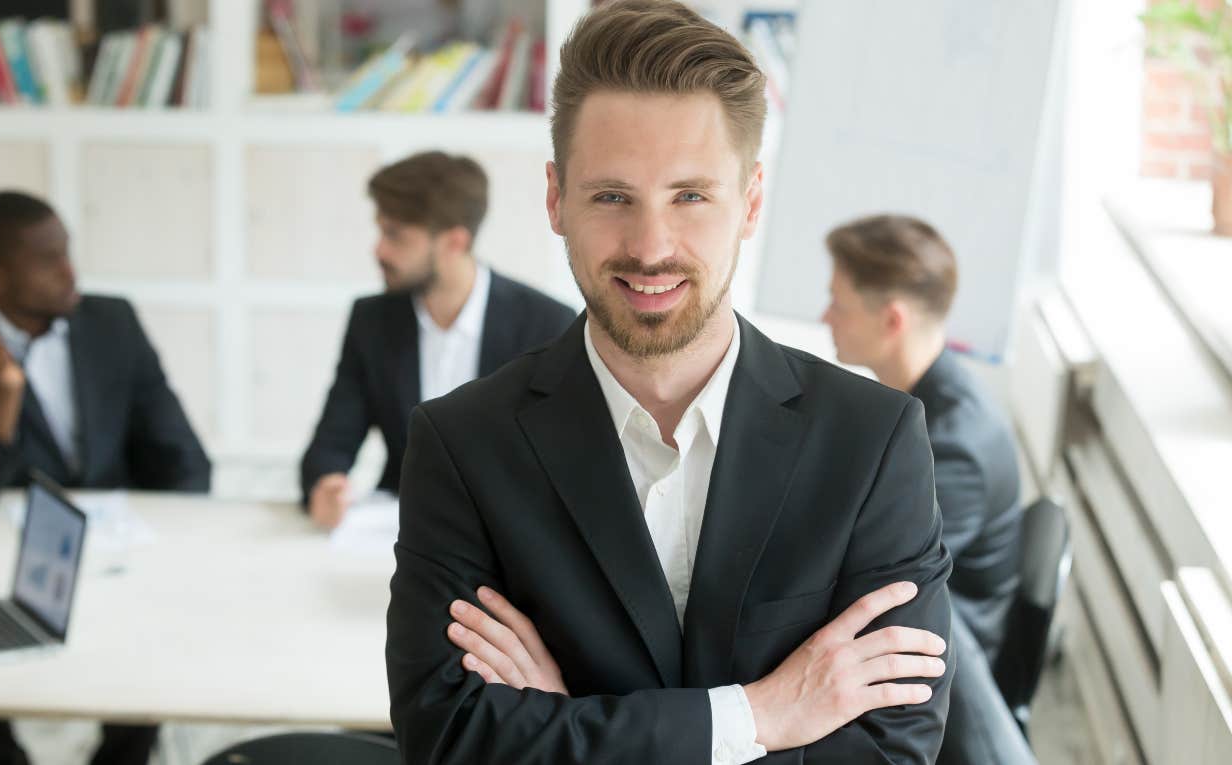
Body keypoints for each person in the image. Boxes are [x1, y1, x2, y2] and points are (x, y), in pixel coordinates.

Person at [385, 3, 955, 763]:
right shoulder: (462, 445)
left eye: (690, 196)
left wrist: (572, 729)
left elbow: (892, 751)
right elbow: (449, 738)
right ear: (556, 199)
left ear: (750, 202)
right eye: (612, 197)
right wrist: (759, 714)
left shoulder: (873, 441)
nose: (650, 247)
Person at [0, 190, 211, 765]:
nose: (70, 272)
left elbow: (184, 457)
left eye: (67, 251)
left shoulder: (112, 321)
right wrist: (5, 391)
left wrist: (172, 540)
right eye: (47, 259)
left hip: (117, 538)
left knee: (149, 658)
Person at [821, 214, 1032, 765]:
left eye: (838, 303)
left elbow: (882, 586)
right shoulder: (928, 398)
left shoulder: (952, 444)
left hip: (943, 676)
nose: (826, 318)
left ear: (891, 320)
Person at [298, 151, 575, 529]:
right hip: (395, 531)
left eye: (394, 234)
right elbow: (329, 446)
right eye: (381, 230)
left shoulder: (547, 323)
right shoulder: (372, 321)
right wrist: (325, 485)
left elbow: (564, 467)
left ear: (454, 242)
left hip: (509, 540)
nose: (378, 250)